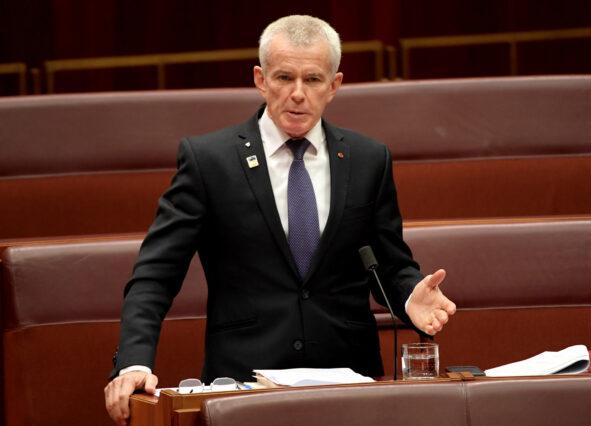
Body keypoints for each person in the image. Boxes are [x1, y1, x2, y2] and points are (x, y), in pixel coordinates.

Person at [105, 15, 456, 425]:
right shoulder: (210, 161)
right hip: (242, 387)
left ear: (335, 85)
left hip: (350, 384)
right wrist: (132, 362)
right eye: (284, 77)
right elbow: (156, 273)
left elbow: (389, 263)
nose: (297, 94)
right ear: (260, 78)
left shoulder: (368, 159)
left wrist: (410, 295)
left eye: (312, 79)